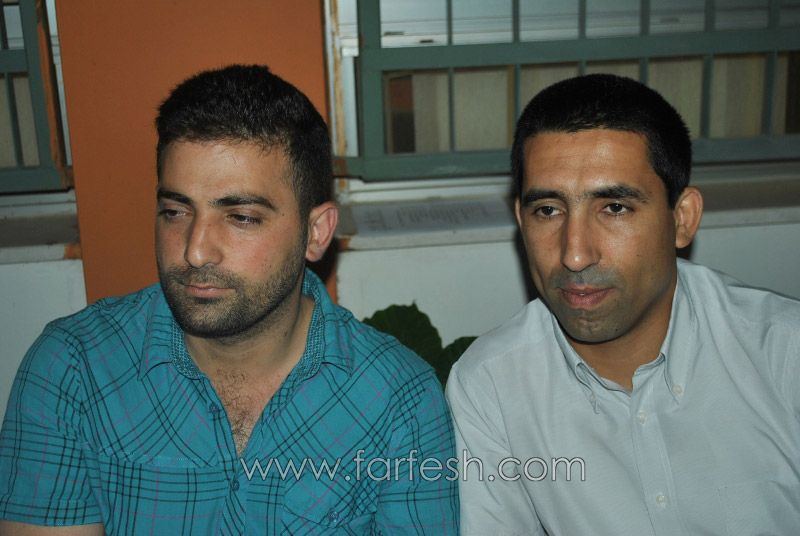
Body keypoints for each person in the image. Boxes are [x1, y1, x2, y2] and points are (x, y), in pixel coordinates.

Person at [0, 65, 458, 535]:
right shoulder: (75, 369)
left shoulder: (398, 400)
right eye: (175, 211)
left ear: (316, 233)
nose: (195, 250)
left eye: (240, 217)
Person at [446, 73, 800, 535]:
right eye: (548, 210)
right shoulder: (492, 385)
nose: (575, 254)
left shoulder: (784, 355)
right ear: (520, 218)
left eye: (614, 208)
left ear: (682, 219)